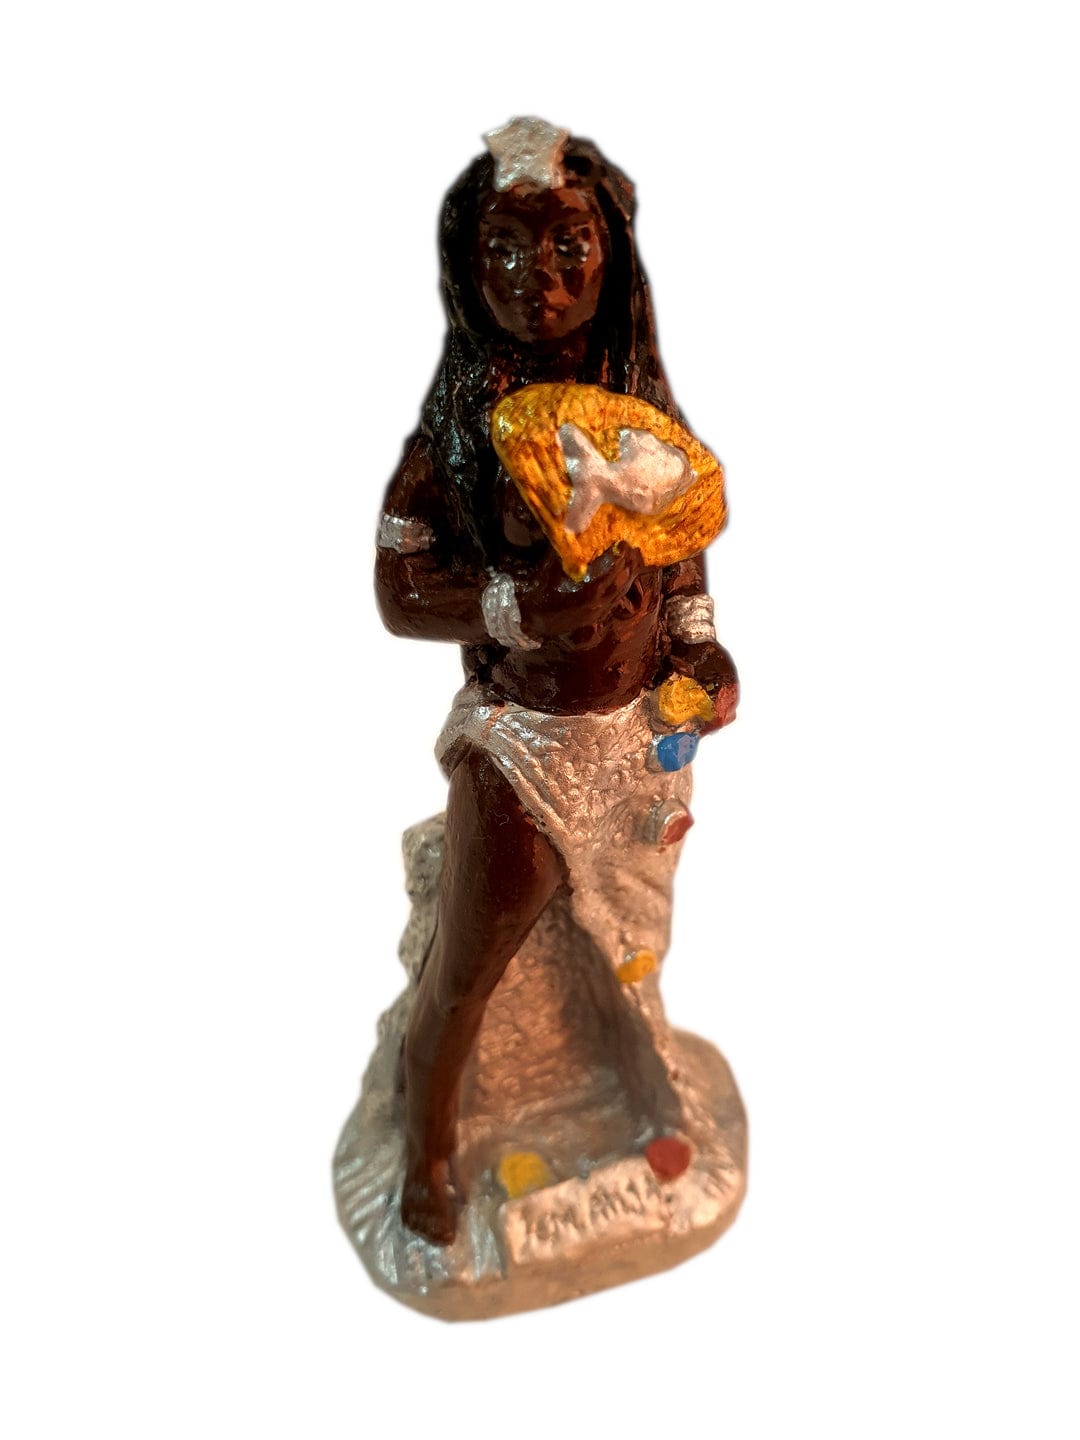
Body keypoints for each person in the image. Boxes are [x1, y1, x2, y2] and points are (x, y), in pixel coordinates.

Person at [374, 119, 738, 1244]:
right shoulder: (458, 433)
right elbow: (398, 587)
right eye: (506, 247)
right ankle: (428, 1141)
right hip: (527, 741)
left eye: (571, 243)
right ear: (465, 264)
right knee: (468, 964)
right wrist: (510, 610)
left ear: (612, 255)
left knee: (627, 944)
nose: (541, 275)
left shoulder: (638, 408)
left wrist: (698, 641)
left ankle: (618, 1087)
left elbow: (680, 542)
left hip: (635, 736)